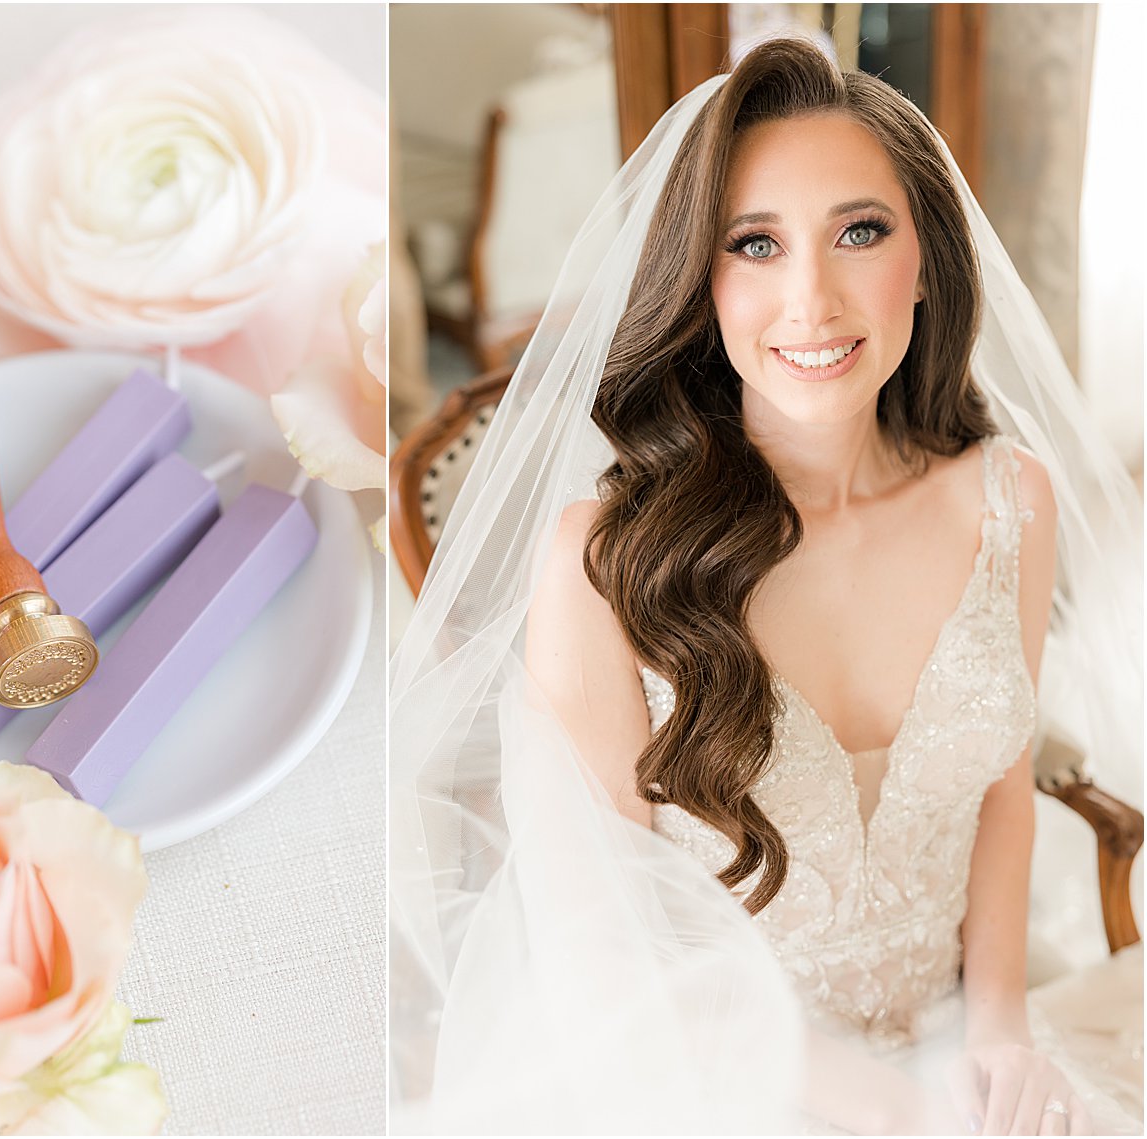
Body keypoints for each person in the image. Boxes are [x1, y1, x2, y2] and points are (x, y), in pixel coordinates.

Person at [389, 37, 1141, 1137]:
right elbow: (605, 952)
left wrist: (994, 1035)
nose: (811, 300)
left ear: (927, 259)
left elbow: (1001, 790)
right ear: (700, 278)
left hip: (953, 1046)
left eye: (859, 232)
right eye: (754, 243)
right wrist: (891, 1111)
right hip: (700, 1080)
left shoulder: (1006, 503)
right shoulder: (601, 566)